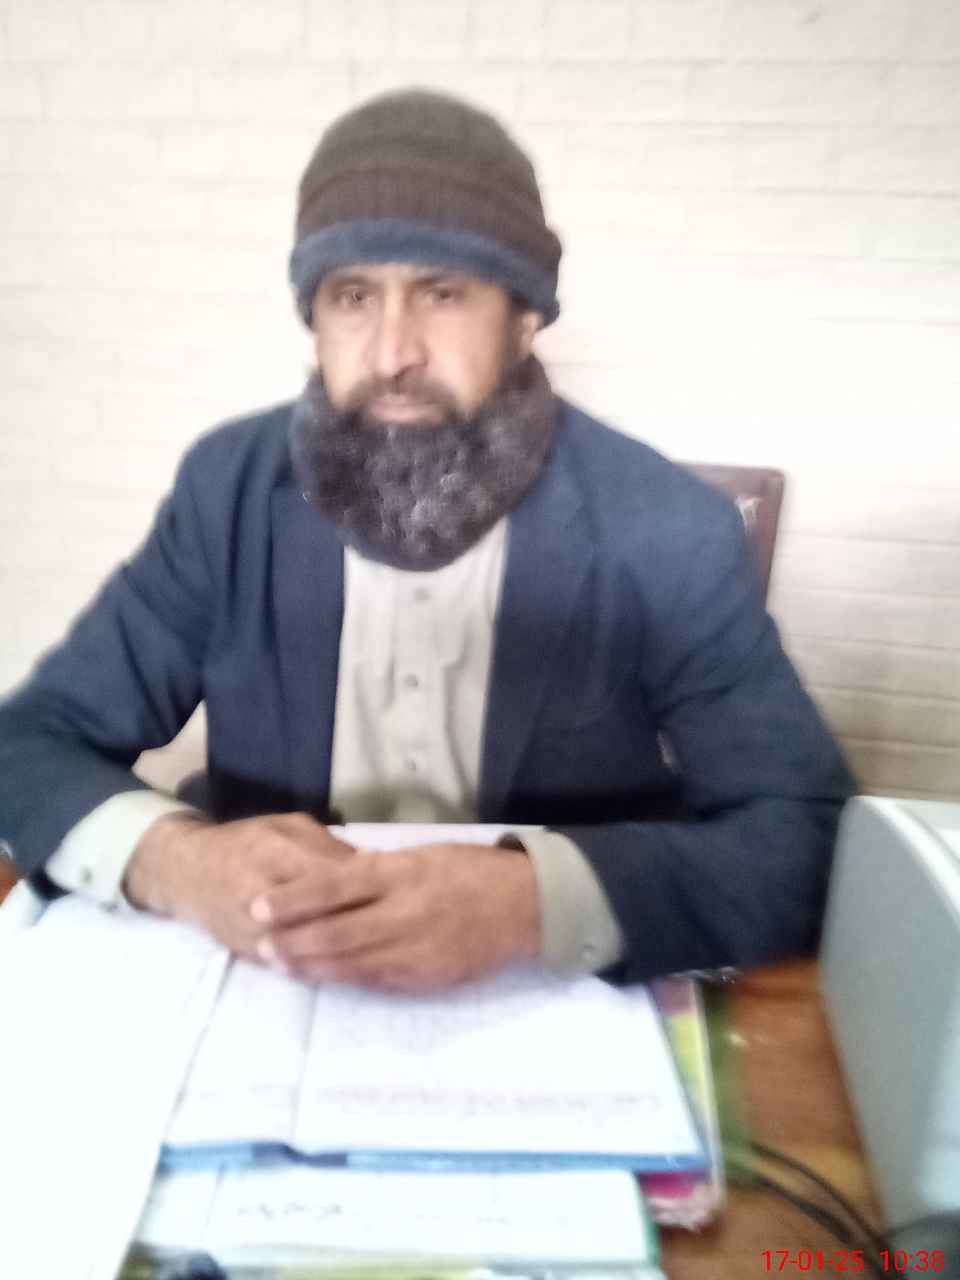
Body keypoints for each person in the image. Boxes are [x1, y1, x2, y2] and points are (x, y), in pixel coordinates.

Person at [0, 89, 854, 992]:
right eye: (353, 296)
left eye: (442, 293)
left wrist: (531, 900)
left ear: (524, 319)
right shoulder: (229, 492)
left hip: (544, 994)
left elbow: (810, 834)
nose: (392, 352)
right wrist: (179, 862)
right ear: (315, 321)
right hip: (267, 979)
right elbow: (29, 743)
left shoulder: (666, 526)